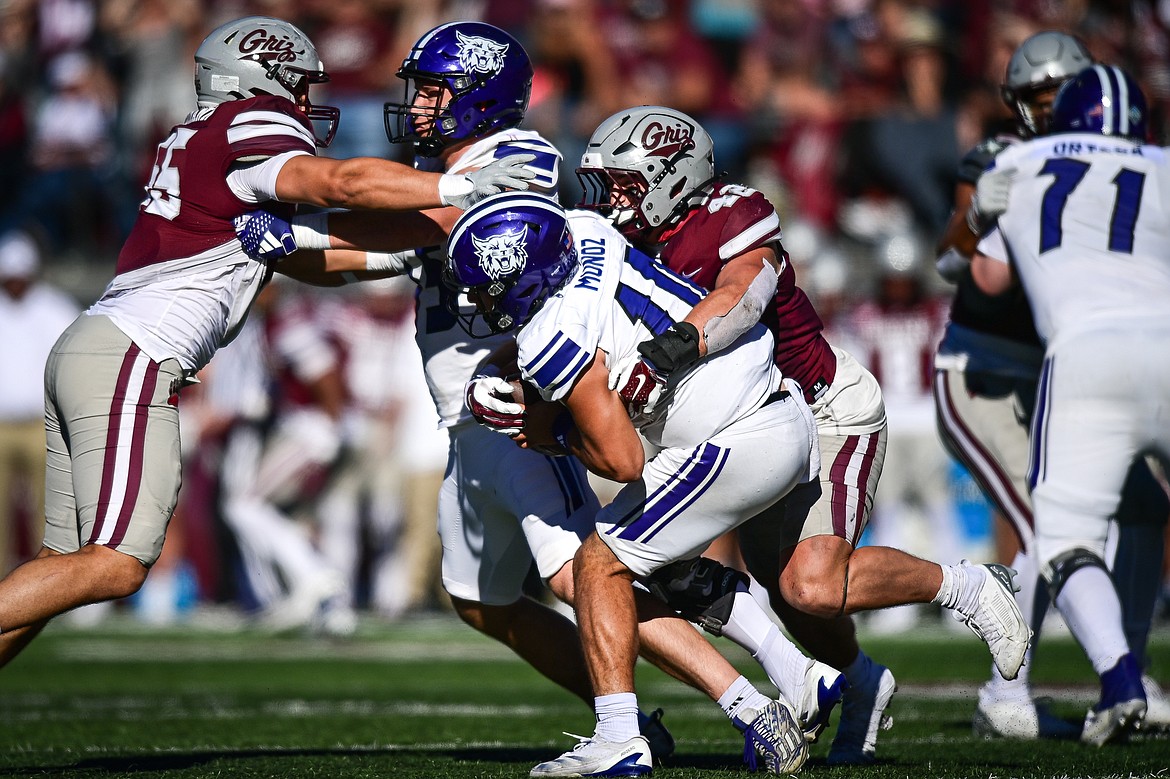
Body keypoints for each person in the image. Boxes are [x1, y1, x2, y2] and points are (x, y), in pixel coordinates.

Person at [232, 21, 830, 774]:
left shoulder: (517, 158)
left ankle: (751, 706)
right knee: (482, 600)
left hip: (522, 399)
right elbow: (362, 255)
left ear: (479, 97)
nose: (416, 106)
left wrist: (299, 223)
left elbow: (418, 217)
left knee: (583, 571)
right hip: (463, 420)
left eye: (433, 91)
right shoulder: (433, 188)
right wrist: (286, 249)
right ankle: (641, 709)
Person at [0, 14, 535, 669]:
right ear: (265, 79)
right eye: (301, 87)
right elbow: (339, 184)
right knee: (115, 564)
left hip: (94, 344)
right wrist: (456, 186)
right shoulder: (249, 120)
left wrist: (420, 240)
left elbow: (319, 247)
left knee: (61, 563)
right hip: (132, 351)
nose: (308, 105)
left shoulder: (200, 139)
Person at [569, 105, 1032, 761]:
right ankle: (859, 680)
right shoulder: (627, 240)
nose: (612, 199)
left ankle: (973, 586)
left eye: (624, 183)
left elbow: (743, 295)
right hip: (739, 423)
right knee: (784, 595)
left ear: (670, 177)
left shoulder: (734, 211)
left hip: (822, 408)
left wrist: (667, 352)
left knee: (810, 584)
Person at [450, 191, 815, 776]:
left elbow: (620, 461)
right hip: (763, 405)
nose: (475, 300)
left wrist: (548, 433)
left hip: (739, 432)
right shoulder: (584, 228)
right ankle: (793, 678)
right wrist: (502, 371)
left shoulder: (551, 335)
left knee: (598, 565)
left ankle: (622, 736)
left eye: (485, 286)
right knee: (651, 565)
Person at [934, 31, 1170, 739]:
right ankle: (1006, 691)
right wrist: (978, 217)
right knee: (1046, 524)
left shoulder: (1030, 164)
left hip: (1070, 370)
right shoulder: (1006, 159)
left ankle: (1125, 670)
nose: (1047, 109)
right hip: (992, 370)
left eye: (1058, 95)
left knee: (1141, 510)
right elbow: (964, 270)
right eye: (1036, 97)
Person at [0, 231, 79, 575]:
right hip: (1, 425)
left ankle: (43, 580)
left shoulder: (52, 308)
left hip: (39, 423)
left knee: (48, 506)